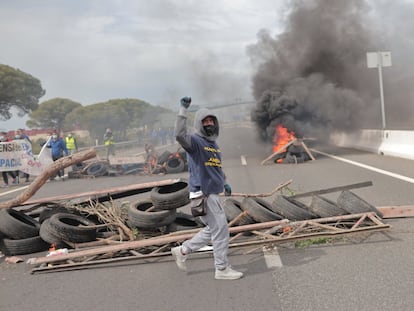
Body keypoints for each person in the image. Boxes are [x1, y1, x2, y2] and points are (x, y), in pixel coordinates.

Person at [171, 96, 243, 280]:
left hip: (212, 192)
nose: (209, 123)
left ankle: (183, 250)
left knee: (213, 229)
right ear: (199, 124)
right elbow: (179, 135)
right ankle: (221, 268)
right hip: (203, 193)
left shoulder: (213, 145)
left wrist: (224, 181)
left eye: (212, 120)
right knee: (221, 229)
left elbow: (215, 167)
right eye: (205, 121)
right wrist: (182, 111)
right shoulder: (194, 141)